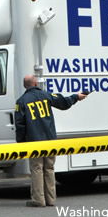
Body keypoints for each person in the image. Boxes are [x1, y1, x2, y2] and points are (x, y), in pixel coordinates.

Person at [14, 74, 87, 208]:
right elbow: (63, 103)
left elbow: (19, 124)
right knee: (49, 168)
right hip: (50, 140)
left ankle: (38, 200)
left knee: (37, 169)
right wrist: (76, 97)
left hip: (33, 140)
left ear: (25, 86)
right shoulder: (46, 95)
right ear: (35, 83)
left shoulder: (21, 101)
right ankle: (51, 199)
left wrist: (21, 142)